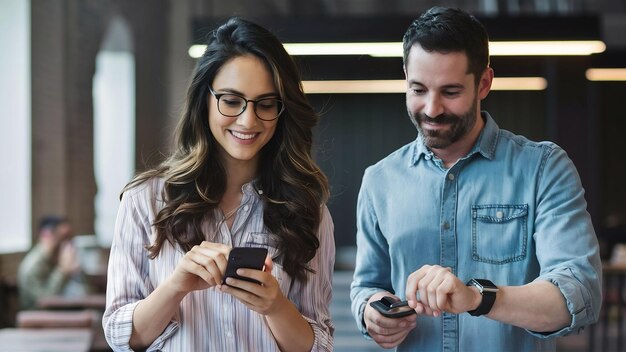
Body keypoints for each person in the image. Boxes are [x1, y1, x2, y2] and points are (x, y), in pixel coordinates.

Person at [350, 6, 601, 352]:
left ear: (483, 83)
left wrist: (476, 298)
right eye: (418, 89)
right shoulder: (380, 180)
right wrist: (370, 311)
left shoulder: (543, 168)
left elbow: (579, 293)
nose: (433, 108)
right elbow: (366, 285)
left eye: (450, 92)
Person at [102, 17, 335, 351]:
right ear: (205, 100)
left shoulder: (306, 211)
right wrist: (176, 286)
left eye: (266, 104)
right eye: (231, 100)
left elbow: (319, 346)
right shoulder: (145, 201)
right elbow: (121, 337)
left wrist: (275, 306)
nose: (248, 120)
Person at [18, 215, 91, 310]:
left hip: (63, 310)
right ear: (47, 236)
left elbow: (86, 291)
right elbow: (45, 302)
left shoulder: (59, 256)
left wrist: (77, 271)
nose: (67, 244)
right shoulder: (32, 266)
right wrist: (63, 271)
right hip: (41, 317)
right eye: (63, 238)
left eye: (70, 238)